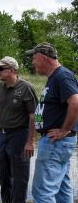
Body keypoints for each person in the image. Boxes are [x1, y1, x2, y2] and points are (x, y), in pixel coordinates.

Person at [26, 43, 78, 203]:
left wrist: (64, 130)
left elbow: (75, 102)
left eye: (34, 58)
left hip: (55, 142)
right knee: (62, 189)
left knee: (42, 192)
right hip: (56, 143)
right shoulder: (54, 77)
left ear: (43, 57)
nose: (33, 62)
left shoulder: (62, 75)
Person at [0, 56, 37, 203]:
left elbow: (35, 116)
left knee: (20, 177)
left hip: (20, 136)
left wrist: (31, 141)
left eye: (1, 68)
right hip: (3, 135)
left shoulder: (26, 88)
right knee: (3, 174)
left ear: (13, 70)